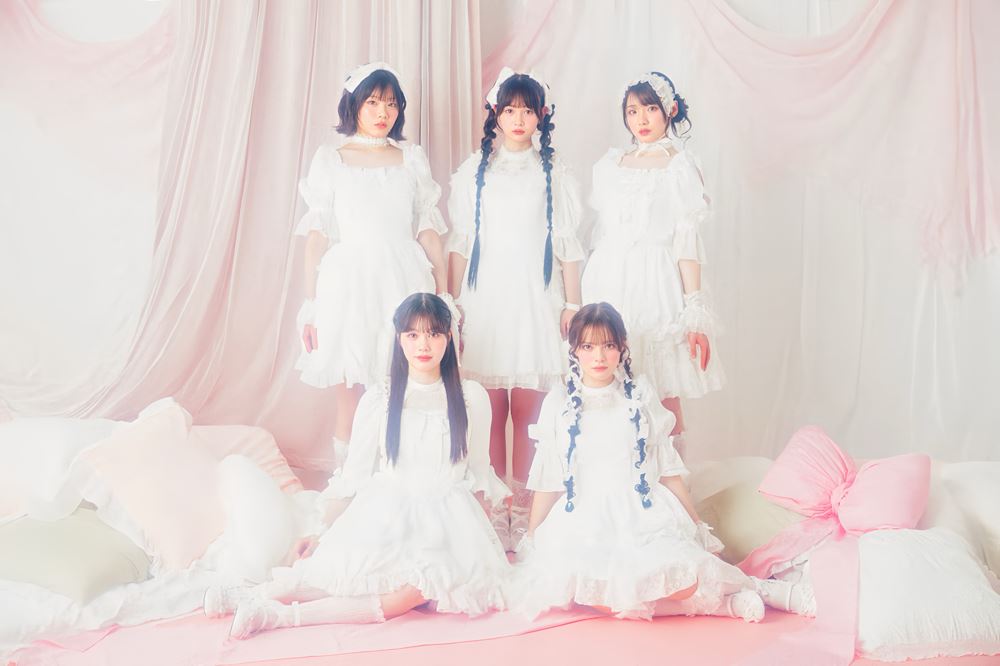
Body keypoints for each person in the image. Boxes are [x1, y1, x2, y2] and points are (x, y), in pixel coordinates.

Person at [207, 294, 510, 638]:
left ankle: (277, 616)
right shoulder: (380, 399)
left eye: (434, 334)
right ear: (399, 339)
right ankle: (251, 596)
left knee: (410, 591)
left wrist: (483, 543)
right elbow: (354, 476)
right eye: (412, 335)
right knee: (343, 576)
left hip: (448, 520)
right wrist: (322, 532)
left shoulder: (471, 397)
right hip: (390, 511)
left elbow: (479, 473)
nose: (423, 344)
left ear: (448, 338)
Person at [510, 302, 761, 622]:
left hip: (640, 512)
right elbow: (549, 478)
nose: (599, 357)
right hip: (585, 518)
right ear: (574, 350)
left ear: (622, 347)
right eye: (588, 347)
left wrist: (697, 524)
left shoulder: (639, 395)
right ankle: (726, 607)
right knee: (594, 591)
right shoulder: (559, 402)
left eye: (608, 345)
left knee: (682, 578)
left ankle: (751, 591)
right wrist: (533, 537)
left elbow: (667, 468)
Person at [447, 67, 584, 550]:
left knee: (530, 410)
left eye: (527, 110)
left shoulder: (554, 172)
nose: (519, 119)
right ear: (496, 114)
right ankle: (494, 507)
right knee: (487, 407)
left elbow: (567, 243)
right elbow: (460, 241)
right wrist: (451, 302)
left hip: (535, 297)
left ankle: (524, 511)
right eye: (510, 110)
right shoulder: (475, 171)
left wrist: (573, 303)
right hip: (485, 298)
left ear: (540, 115)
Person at [294, 62, 450, 468]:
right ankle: (348, 480)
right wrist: (311, 305)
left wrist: (445, 296)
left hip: (403, 278)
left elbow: (428, 231)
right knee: (351, 388)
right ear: (355, 105)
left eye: (392, 104)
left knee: (401, 385)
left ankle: (393, 475)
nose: (384, 112)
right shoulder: (331, 160)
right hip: (349, 282)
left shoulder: (411, 159)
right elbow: (317, 237)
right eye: (374, 102)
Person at [582, 71, 725, 455]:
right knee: (609, 382)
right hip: (609, 281)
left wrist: (694, 309)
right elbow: (600, 235)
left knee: (660, 387)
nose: (641, 119)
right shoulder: (610, 165)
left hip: (655, 282)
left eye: (650, 109)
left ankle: (671, 477)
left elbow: (686, 242)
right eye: (632, 111)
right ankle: (623, 473)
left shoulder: (681, 167)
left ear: (669, 111)